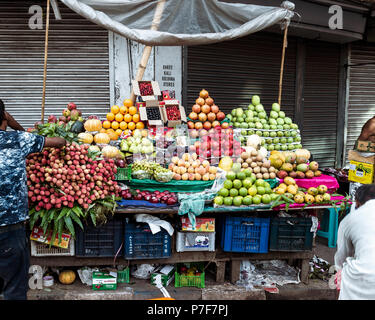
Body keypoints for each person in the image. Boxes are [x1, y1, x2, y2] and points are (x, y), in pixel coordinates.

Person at [0, 99, 66, 300]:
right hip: (9, 227)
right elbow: (60, 142)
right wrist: (13, 124)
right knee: (14, 289)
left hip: (10, 228)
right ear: (4, 116)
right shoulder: (17, 140)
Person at [334, 183, 375, 300]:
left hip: (364, 277)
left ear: (358, 203)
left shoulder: (349, 220)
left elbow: (341, 258)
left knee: (342, 273)